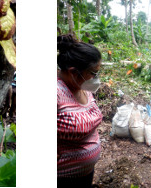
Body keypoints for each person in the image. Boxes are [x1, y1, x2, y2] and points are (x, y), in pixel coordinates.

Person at [56, 34, 103, 187]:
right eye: (93, 73)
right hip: (63, 178)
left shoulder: (83, 86)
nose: (96, 78)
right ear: (73, 72)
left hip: (85, 173)